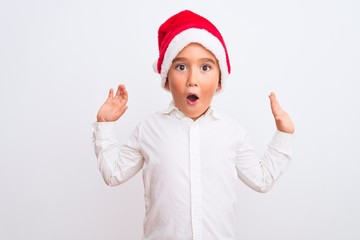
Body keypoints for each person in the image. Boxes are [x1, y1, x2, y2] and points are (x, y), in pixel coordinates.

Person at [92, 9, 295, 240]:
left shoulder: (232, 132)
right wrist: (105, 125)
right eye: (181, 67)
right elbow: (113, 173)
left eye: (205, 67)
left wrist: (284, 133)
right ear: (166, 79)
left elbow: (262, 179)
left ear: (220, 81)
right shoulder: (148, 129)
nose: (192, 80)